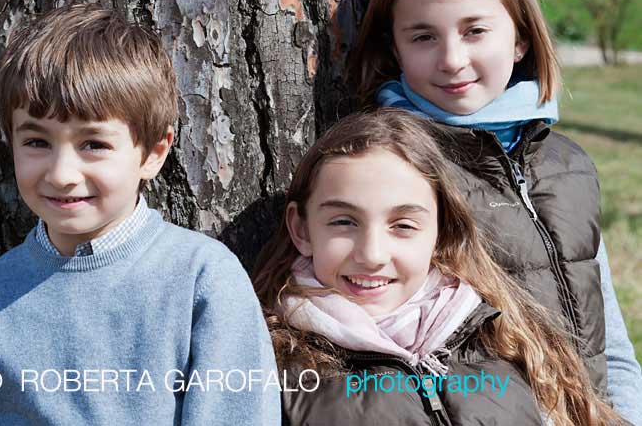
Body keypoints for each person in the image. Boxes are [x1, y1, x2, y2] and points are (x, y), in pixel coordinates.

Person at [347, 0, 642, 424]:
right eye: (423, 36)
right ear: (394, 47)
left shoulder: (566, 164)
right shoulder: (395, 171)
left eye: (475, 30)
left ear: (521, 36)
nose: (452, 59)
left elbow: (611, 344)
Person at [0, 2, 280, 425]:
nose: (61, 175)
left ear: (153, 154)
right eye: (37, 142)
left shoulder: (202, 280)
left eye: (94, 144)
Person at [254, 109, 624, 425]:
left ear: (440, 232)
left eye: (402, 226)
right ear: (301, 229)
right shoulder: (273, 368)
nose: (372, 254)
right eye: (344, 222)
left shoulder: (503, 333)